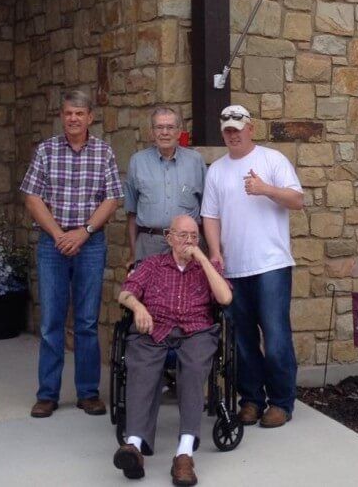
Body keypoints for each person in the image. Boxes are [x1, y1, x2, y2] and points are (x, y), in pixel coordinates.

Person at [20, 90, 123, 419]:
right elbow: (33, 197)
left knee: (87, 322)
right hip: (53, 243)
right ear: (62, 116)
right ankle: (47, 394)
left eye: (79, 113)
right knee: (51, 321)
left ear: (90, 117)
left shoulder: (104, 152)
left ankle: (88, 393)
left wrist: (84, 232)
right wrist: (59, 234)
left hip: (90, 243)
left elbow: (111, 199)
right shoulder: (46, 151)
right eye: (68, 113)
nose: (73, 119)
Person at [201, 105, 304, 429]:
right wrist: (215, 252)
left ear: (251, 129)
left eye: (238, 128)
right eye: (227, 130)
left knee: (275, 337)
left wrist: (265, 189)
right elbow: (210, 216)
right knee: (242, 341)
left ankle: (281, 402)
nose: (233, 134)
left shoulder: (272, 160)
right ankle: (251, 400)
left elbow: (297, 200)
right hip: (234, 269)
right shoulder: (216, 170)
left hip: (271, 264)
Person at [113, 214, 232, 485]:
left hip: (196, 331)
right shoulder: (152, 265)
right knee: (141, 365)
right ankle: (133, 446)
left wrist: (202, 259)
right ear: (168, 237)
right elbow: (124, 293)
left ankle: (184, 454)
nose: (188, 241)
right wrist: (138, 307)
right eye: (182, 235)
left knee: (192, 370)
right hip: (156, 328)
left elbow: (225, 298)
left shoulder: (207, 267)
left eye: (193, 236)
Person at [124, 105, 207, 266]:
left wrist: (210, 252)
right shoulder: (137, 162)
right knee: (149, 291)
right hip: (149, 246)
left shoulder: (195, 161)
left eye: (170, 127)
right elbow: (132, 213)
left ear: (179, 131)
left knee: (188, 291)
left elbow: (207, 212)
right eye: (159, 127)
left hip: (187, 245)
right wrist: (134, 252)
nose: (165, 133)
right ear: (152, 132)